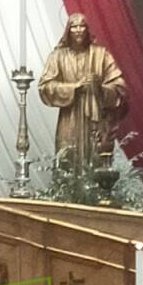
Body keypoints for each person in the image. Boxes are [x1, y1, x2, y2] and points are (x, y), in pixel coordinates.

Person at [38, 13, 127, 170]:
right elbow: (45, 86)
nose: (78, 30)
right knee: (67, 159)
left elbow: (119, 87)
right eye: (74, 26)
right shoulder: (57, 56)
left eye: (82, 26)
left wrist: (99, 88)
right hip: (69, 118)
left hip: (95, 119)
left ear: (87, 29)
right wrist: (75, 87)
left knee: (96, 162)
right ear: (68, 30)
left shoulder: (101, 55)